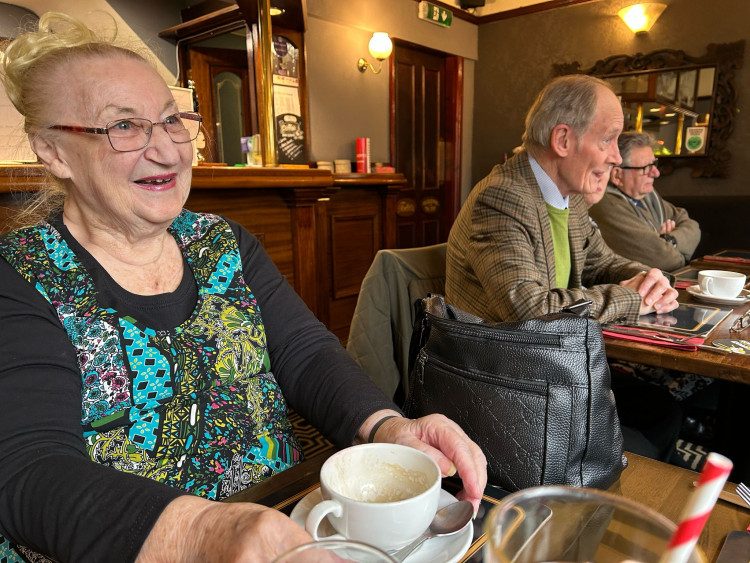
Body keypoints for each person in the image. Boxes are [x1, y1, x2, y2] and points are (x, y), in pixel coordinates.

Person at [0, 13, 486, 562]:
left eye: (171, 120)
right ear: (54, 152)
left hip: (288, 525)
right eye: (124, 127)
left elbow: (305, 355)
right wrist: (200, 533)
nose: (167, 150)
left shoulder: (222, 243)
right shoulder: (20, 277)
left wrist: (389, 428)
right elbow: (29, 467)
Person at [446, 74, 678, 325]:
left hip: (553, 352)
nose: (617, 158)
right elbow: (532, 311)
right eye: (607, 139)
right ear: (562, 140)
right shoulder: (501, 198)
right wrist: (631, 299)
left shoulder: (571, 198)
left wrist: (648, 281)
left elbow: (602, 263)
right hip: (498, 360)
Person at [588, 131, 700, 271]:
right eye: (645, 168)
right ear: (617, 175)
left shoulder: (648, 196)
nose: (656, 173)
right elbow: (665, 260)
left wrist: (669, 240)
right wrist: (679, 253)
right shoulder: (605, 204)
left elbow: (692, 226)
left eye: (654, 164)